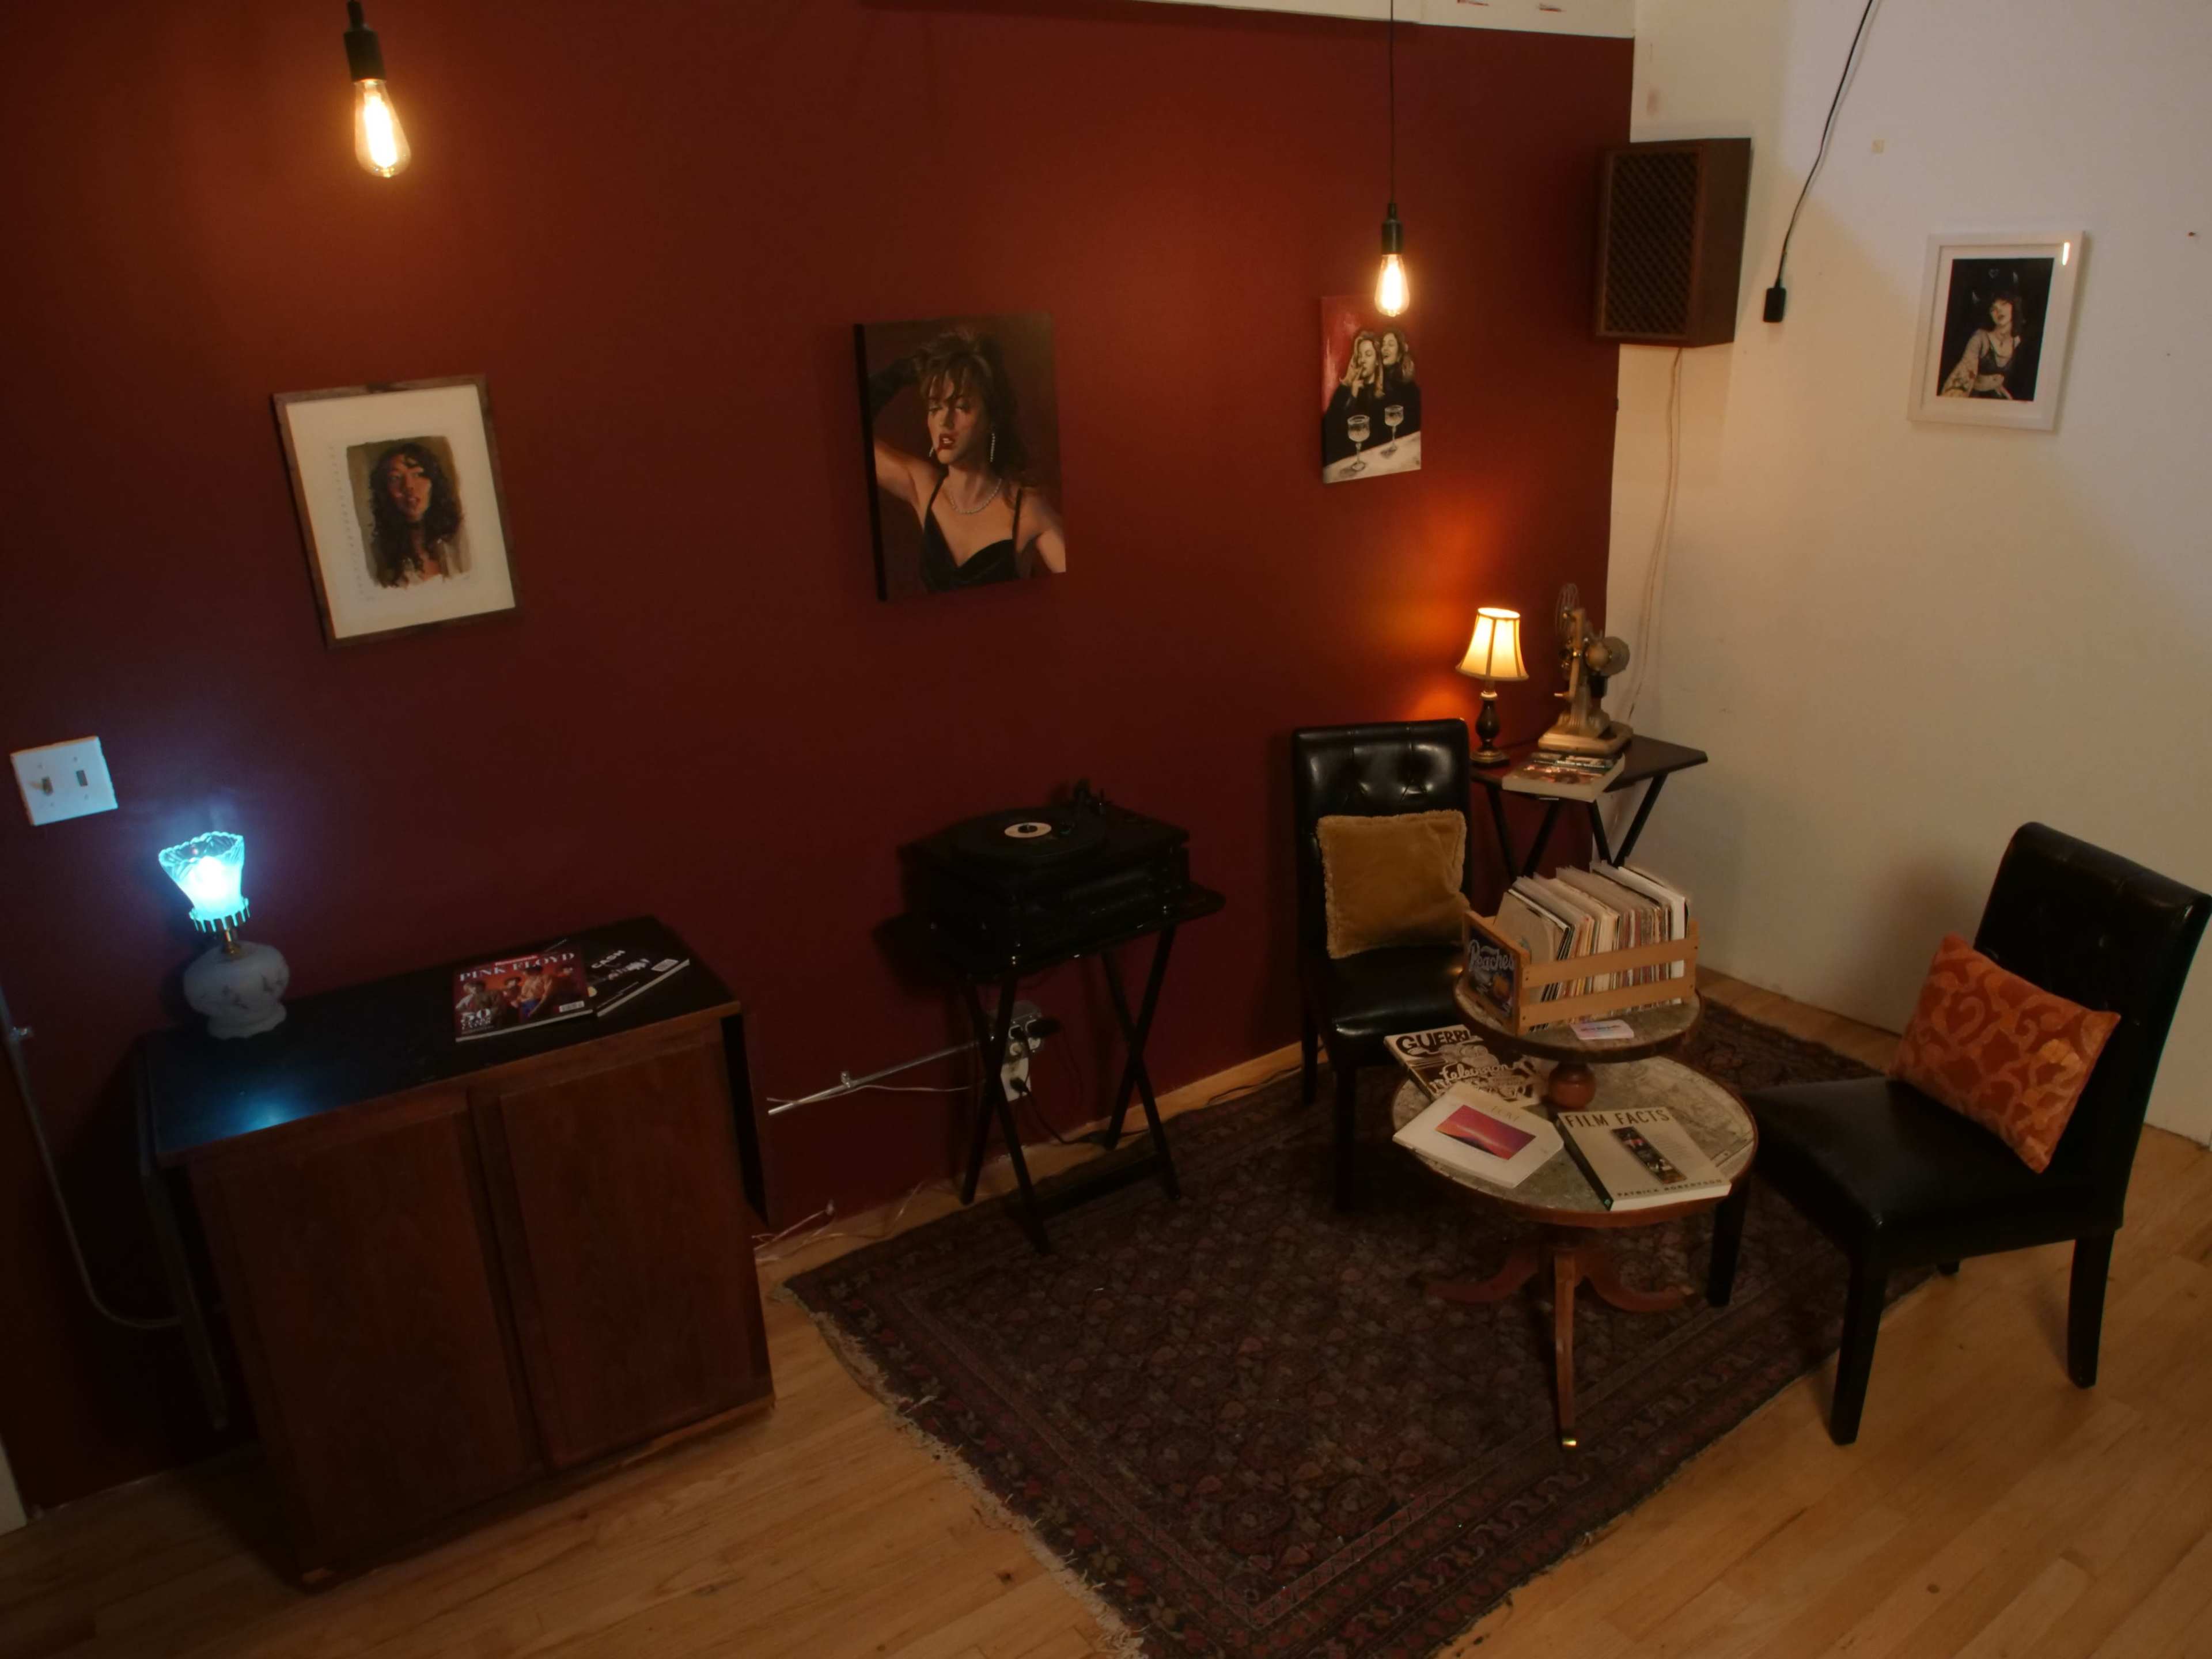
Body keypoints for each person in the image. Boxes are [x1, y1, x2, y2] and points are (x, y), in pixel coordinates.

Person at [869, 329, 1067, 592]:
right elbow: (849, 425)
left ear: (992, 419)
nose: (944, 421)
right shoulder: (923, 487)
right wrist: (906, 370)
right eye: (935, 407)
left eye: (961, 407)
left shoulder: (1028, 511)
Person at [365, 440, 467, 586]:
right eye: (395, 478)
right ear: (385, 491)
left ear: (433, 482)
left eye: (418, 475)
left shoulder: (460, 537)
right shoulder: (378, 554)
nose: (408, 486)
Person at [1940, 292, 2032, 400]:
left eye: (2004, 304)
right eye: (1993, 309)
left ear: (2014, 306)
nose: (1999, 311)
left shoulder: (2017, 342)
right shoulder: (1980, 338)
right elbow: (1963, 375)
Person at [1322, 331, 1386, 466]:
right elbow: (1331, 429)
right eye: (1359, 356)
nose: (1362, 360)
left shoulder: (1384, 392)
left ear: (1377, 361)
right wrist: (1351, 391)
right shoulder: (1348, 390)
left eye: (1368, 355)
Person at [1377, 326, 1421, 444]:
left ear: (1400, 354)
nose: (1385, 348)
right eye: (1383, 344)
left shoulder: (1409, 388)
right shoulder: (1377, 381)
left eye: (1391, 345)